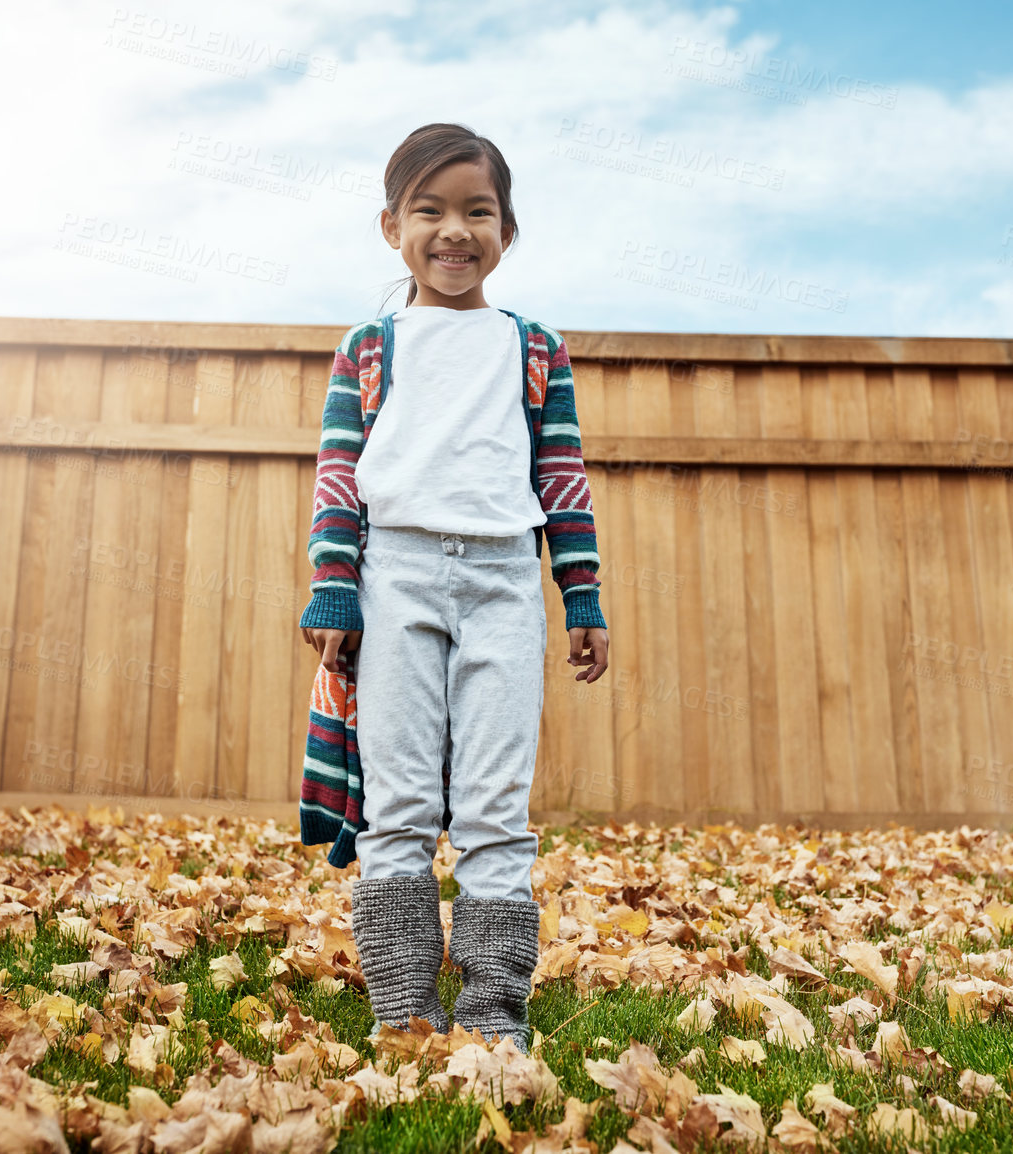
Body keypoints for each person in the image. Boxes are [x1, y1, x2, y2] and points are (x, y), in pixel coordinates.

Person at [297, 122, 610, 1052]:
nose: (454, 231)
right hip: (397, 577)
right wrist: (335, 585)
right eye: (429, 209)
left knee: (493, 807)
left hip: (508, 581)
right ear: (391, 224)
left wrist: (580, 595)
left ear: (507, 229)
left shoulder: (534, 347)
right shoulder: (370, 345)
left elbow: (563, 474)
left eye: (478, 210)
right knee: (397, 804)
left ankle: (491, 1013)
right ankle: (403, 1007)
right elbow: (339, 473)